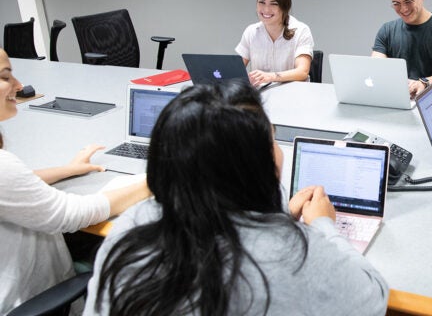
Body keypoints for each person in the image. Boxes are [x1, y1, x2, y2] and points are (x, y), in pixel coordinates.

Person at [84, 81, 389, 315]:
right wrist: (322, 224)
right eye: (271, 140)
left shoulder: (130, 229)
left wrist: (278, 213)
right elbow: (372, 298)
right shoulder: (295, 253)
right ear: (254, 165)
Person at [0, 48, 150, 313]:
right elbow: (76, 214)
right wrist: (157, 180)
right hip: (23, 298)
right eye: (5, 76)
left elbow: (14, 185)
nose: (19, 86)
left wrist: (68, 169)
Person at [236, 0, 315, 85]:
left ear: (284, 6)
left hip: (293, 95)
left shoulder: (301, 30)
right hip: (261, 96)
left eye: (274, 4)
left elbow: (302, 72)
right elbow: (235, 70)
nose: (266, 9)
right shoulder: (251, 32)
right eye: (261, 2)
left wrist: (270, 76)